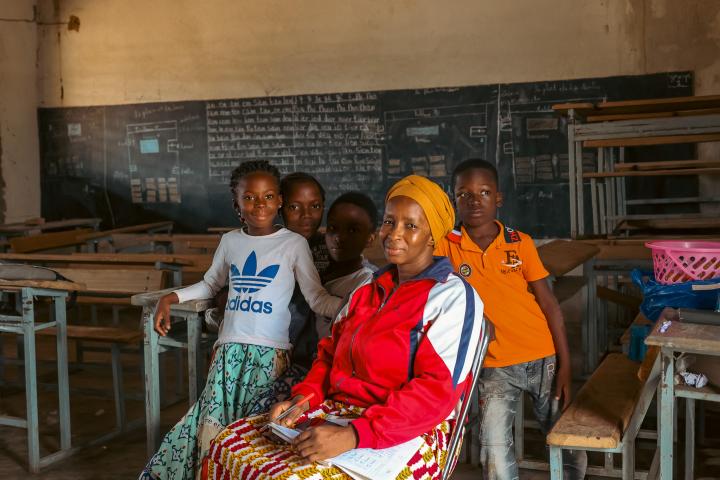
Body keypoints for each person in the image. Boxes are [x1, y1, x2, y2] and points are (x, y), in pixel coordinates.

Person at [203, 175, 487, 479]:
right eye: (390, 222)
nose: (394, 234)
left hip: (406, 428)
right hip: (340, 411)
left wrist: (354, 435)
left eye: (411, 226)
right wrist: (302, 400)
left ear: (433, 236)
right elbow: (328, 356)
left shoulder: (451, 296)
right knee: (226, 445)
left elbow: (436, 392)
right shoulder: (367, 292)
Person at [140, 160, 343, 480]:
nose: (259, 204)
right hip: (227, 353)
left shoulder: (293, 244)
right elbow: (211, 284)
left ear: (278, 201)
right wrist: (171, 297)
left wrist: (353, 307)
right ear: (236, 205)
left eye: (268, 197)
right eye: (249, 197)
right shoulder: (230, 241)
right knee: (209, 424)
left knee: (248, 429)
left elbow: (316, 297)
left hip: (269, 354)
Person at [434, 158, 586, 480]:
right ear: (453, 199)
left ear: (499, 198)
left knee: (566, 437)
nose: (475, 201)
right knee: (495, 451)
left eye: (484, 192)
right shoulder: (446, 248)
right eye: (465, 194)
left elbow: (549, 305)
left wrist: (566, 365)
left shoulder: (521, 243)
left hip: (542, 356)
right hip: (492, 366)